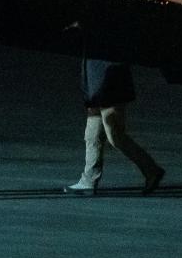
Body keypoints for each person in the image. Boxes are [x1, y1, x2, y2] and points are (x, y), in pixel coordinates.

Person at [63, 58, 165, 195]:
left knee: (115, 134)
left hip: (109, 73)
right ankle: (89, 180)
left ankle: (151, 170)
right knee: (93, 131)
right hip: (96, 71)